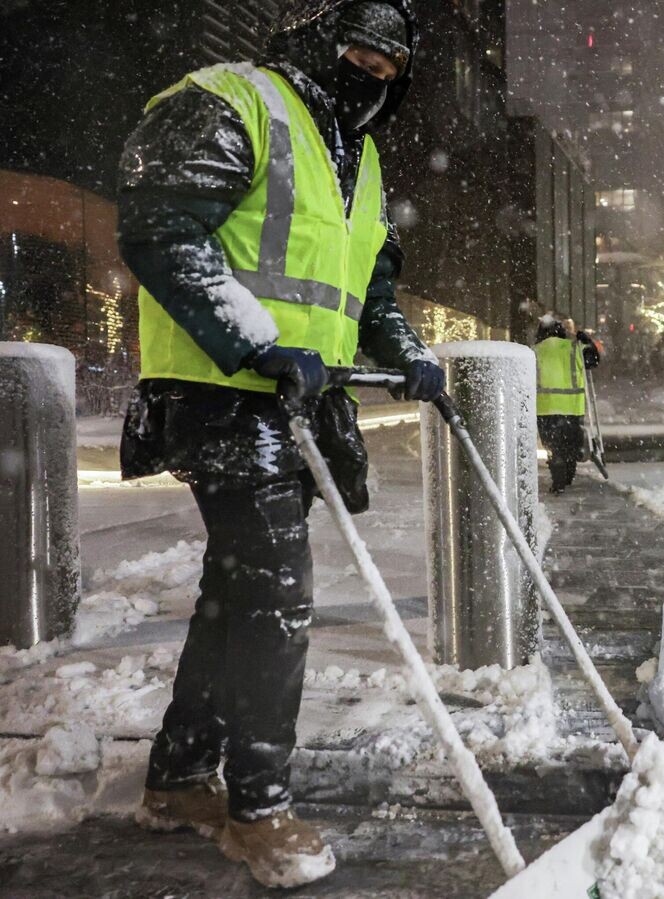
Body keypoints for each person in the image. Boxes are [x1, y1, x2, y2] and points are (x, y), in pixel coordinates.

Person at [115, 0, 444, 887]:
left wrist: (407, 354)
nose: (370, 78)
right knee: (273, 591)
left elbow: (367, 292)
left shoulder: (360, 161)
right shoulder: (235, 101)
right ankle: (258, 809)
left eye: (388, 72)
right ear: (314, 40)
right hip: (219, 392)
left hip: (293, 402)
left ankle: (182, 778)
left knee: (236, 590)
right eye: (358, 56)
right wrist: (254, 339)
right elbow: (159, 225)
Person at [534, 315, 600, 493]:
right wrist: (588, 342)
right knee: (569, 446)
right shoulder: (573, 348)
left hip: (545, 410)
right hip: (572, 409)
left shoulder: (534, 351)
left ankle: (558, 481)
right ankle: (568, 476)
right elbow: (593, 360)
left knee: (554, 448)